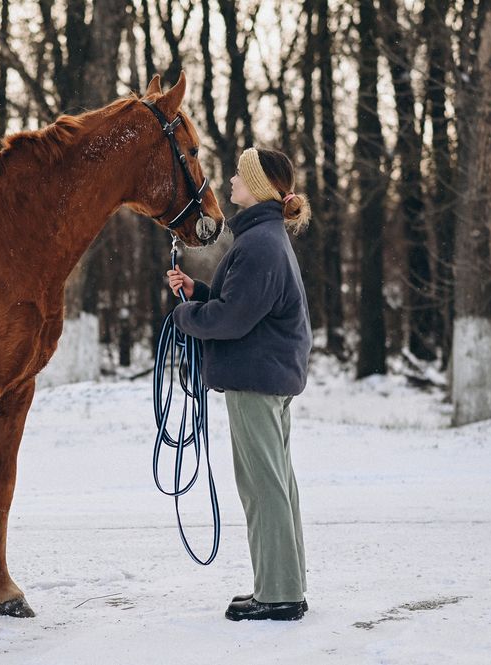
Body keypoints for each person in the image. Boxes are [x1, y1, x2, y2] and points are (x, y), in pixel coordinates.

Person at [167, 147, 313, 621]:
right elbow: (243, 306)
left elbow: (232, 319)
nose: (230, 181)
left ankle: (278, 595)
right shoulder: (264, 239)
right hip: (266, 374)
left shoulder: (259, 244)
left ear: (260, 187)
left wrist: (186, 315)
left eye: (239, 175)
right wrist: (199, 293)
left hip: (256, 378)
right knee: (276, 483)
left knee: (263, 486)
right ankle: (284, 586)